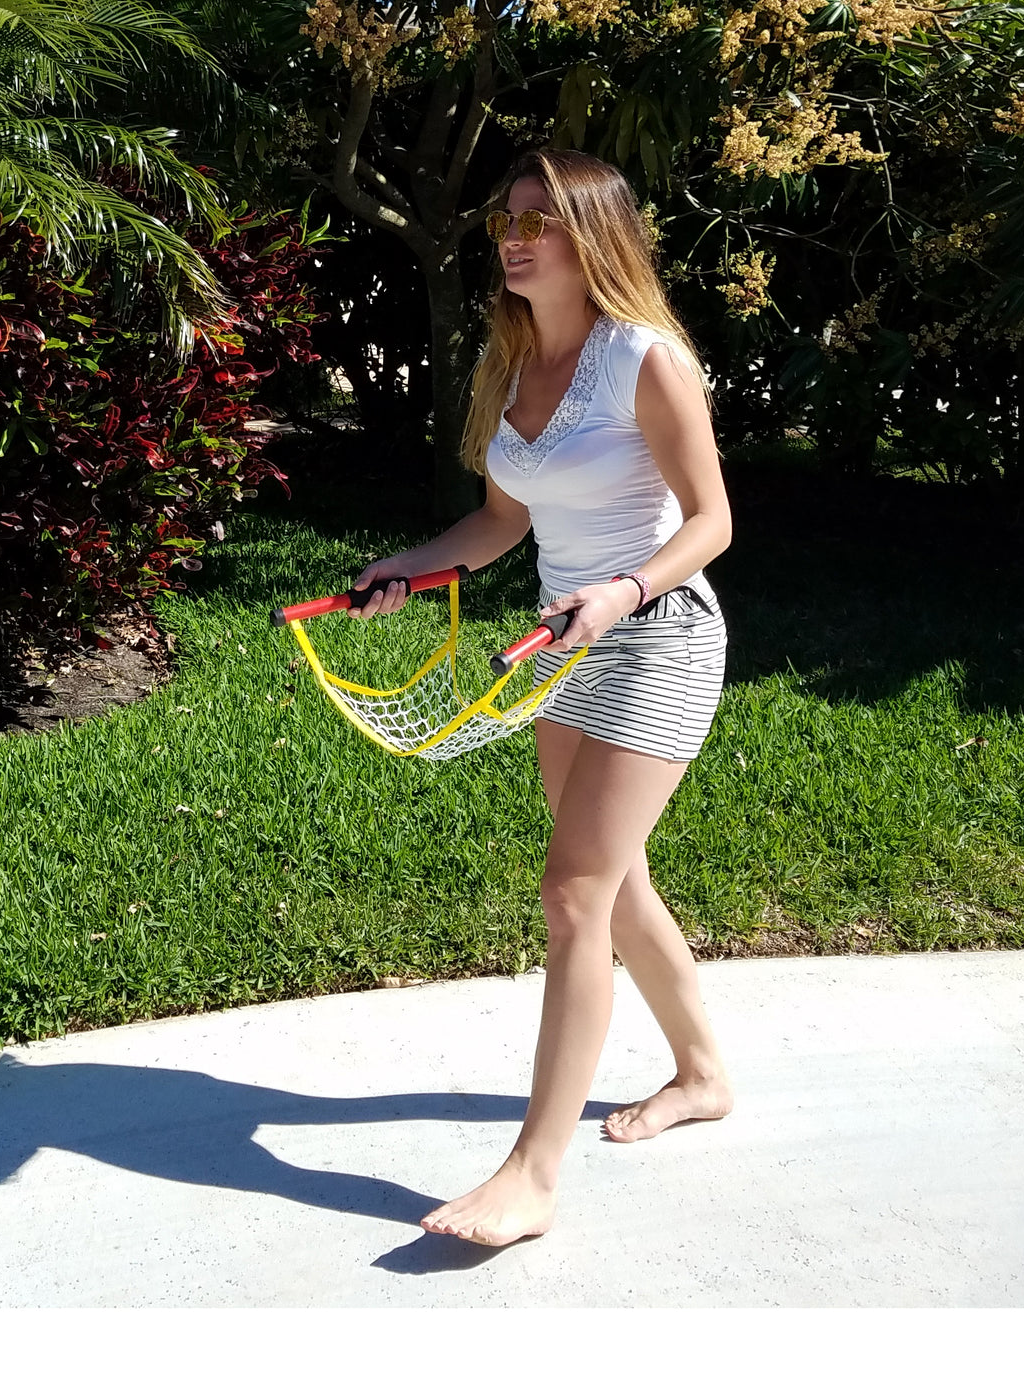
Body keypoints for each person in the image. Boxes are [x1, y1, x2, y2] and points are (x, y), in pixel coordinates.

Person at [347, 148, 734, 1247]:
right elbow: (501, 525)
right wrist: (409, 566)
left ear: (593, 237)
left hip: (655, 634)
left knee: (572, 890)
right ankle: (703, 1072)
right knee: (612, 886)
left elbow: (709, 523)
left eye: (542, 221)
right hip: (565, 643)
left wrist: (619, 590)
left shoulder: (643, 359)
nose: (516, 239)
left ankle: (533, 1170)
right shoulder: (511, 362)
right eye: (508, 221)